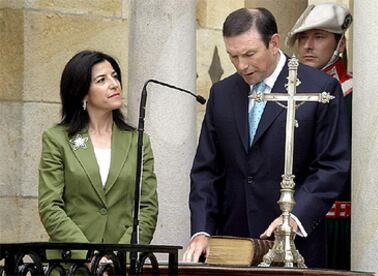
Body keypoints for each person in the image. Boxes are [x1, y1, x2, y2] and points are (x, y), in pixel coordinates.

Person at [183, 7, 350, 268]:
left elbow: (332, 166)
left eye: (249, 54)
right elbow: (207, 170)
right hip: (232, 246)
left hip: (296, 247)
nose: (242, 66)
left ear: (274, 43)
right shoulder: (222, 93)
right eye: (233, 56)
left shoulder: (320, 89)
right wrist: (201, 230)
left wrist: (295, 218)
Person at [38, 50, 158, 259]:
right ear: (82, 93)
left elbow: (147, 209)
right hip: (70, 265)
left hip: (120, 266)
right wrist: (88, 256)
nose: (114, 84)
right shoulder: (57, 139)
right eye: (101, 80)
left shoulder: (138, 141)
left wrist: (116, 260)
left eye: (114, 76)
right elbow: (50, 207)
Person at [286, 3, 353, 269]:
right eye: (303, 38)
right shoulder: (285, 95)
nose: (308, 46)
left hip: (338, 226)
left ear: (341, 45)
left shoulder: (352, 94)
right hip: (291, 222)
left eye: (319, 37)